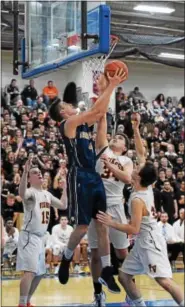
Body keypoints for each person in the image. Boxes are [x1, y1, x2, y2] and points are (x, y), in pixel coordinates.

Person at [49, 69, 126, 293]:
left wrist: (103, 91)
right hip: (78, 175)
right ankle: (66, 257)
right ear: (63, 112)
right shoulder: (67, 125)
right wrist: (111, 85)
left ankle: (107, 271)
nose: (72, 105)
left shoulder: (82, 124)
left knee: (102, 224)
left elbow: (100, 116)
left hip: (92, 175)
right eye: (68, 104)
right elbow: (96, 111)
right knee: (83, 226)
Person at [97, 113, 184, 307]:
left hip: (150, 241)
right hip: (142, 243)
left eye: (136, 169)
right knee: (124, 276)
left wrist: (111, 223)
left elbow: (134, 229)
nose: (135, 167)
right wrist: (135, 129)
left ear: (138, 177)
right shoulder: (145, 185)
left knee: (164, 281)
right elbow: (141, 153)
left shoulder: (137, 199)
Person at [88, 115, 133, 306]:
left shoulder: (126, 160)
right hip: (96, 203)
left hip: (115, 205)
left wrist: (109, 165)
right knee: (96, 253)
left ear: (124, 147)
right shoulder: (103, 149)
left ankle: (131, 291)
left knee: (122, 252)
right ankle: (98, 294)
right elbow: (101, 127)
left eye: (121, 138)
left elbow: (127, 179)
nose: (116, 138)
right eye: (115, 136)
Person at [16, 158, 68, 307]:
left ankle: (27, 302)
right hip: (29, 236)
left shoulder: (46, 194)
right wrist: (25, 172)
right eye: (35, 173)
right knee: (30, 272)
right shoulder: (30, 193)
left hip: (40, 238)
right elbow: (21, 192)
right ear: (30, 178)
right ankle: (21, 303)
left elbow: (63, 205)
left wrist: (65, 188)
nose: (39, 174)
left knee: (40, 274)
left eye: (40, 172)